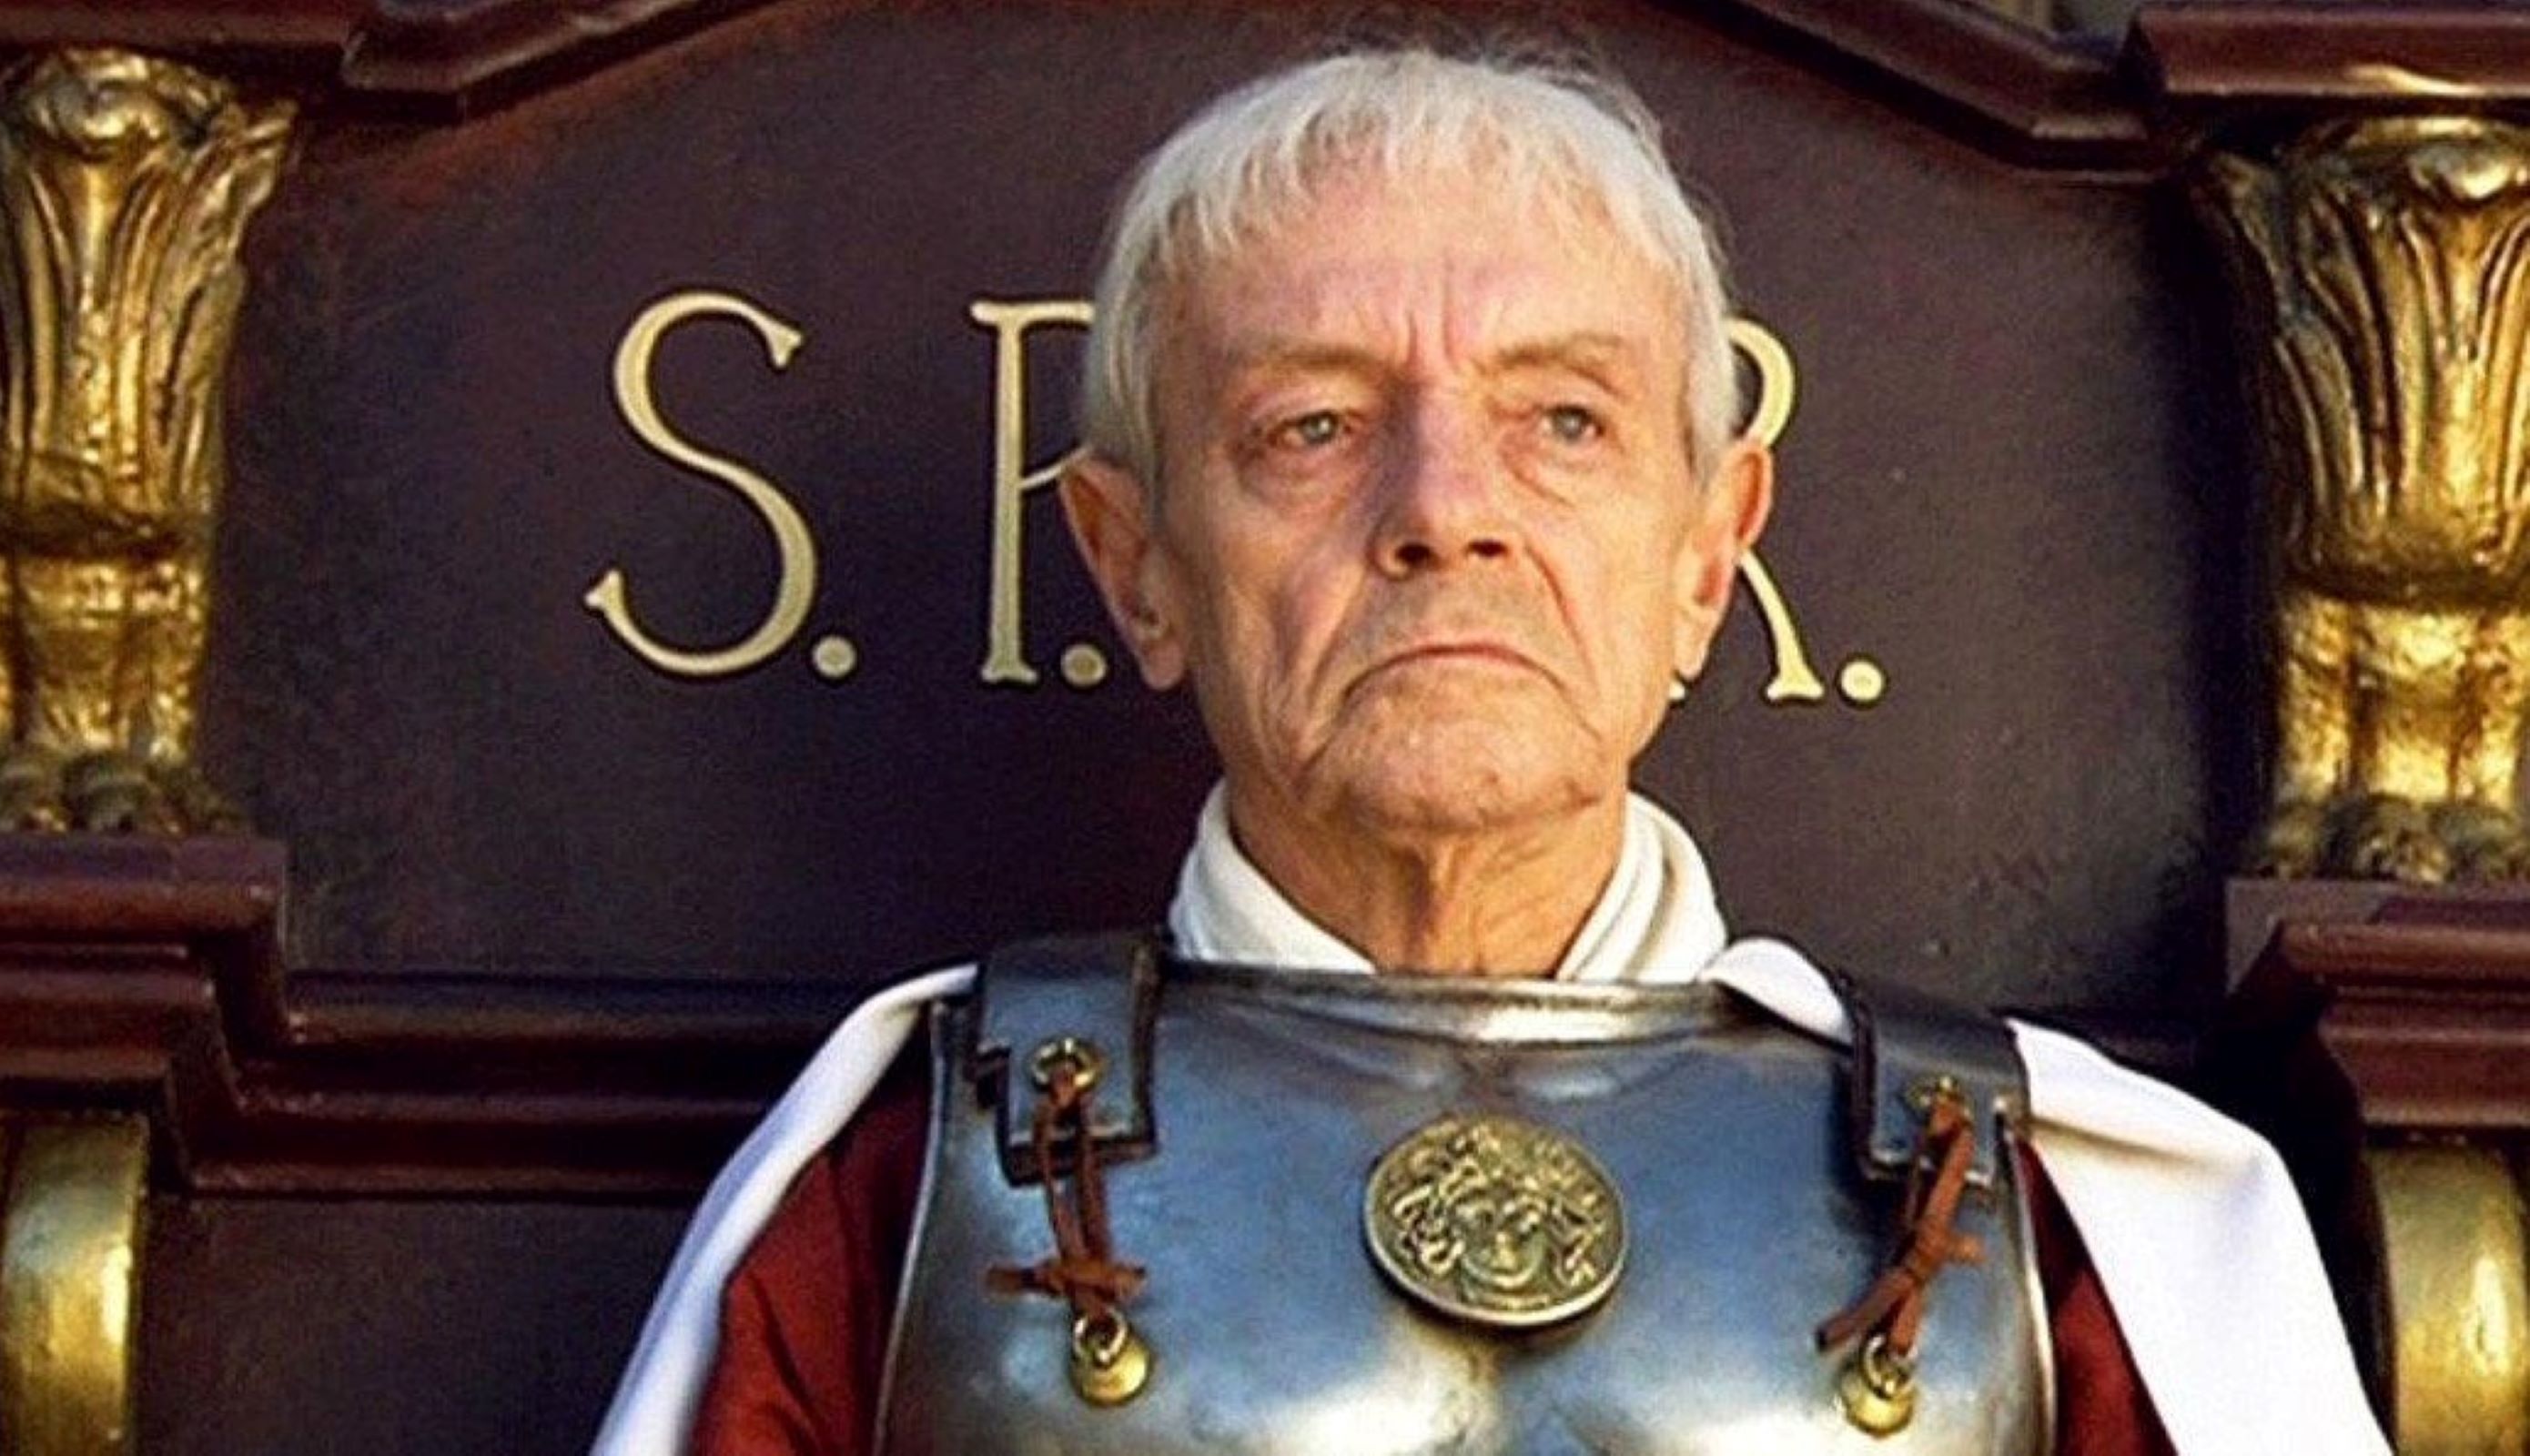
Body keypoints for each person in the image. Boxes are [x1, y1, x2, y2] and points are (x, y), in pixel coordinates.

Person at [598, 48, 2387, 1456]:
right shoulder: (902, 1190)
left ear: (1707, 559)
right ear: (1135, 565)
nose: (1445, 509)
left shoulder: (2041, 1217)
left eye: (1564, 421)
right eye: (1311, 424)